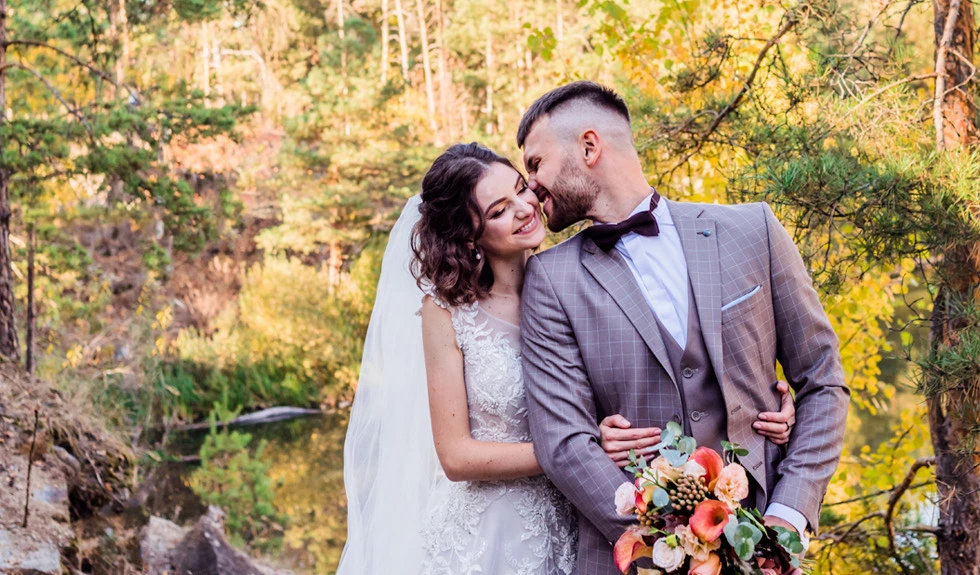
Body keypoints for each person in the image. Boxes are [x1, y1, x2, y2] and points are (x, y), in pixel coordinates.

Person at [336, 142, 798, 574]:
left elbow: (645, 370)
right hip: (494, 529)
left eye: (520, 189)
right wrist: (575, 447)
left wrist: (765, 401)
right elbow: (456, 456)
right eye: (499, 211)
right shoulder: (448, 312)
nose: (523, 209)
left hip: (578, 520)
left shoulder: (574, 278)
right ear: (469, 234)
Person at [517, 81, 849, 575]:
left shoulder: (752, 230)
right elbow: (564, 443)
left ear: (589, 147)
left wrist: (786, 518)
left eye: (536, 164)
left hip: (767, 547)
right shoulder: (549, 278)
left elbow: (823, 379)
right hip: (634, 560)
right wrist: (670, 547)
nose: (532, 187)